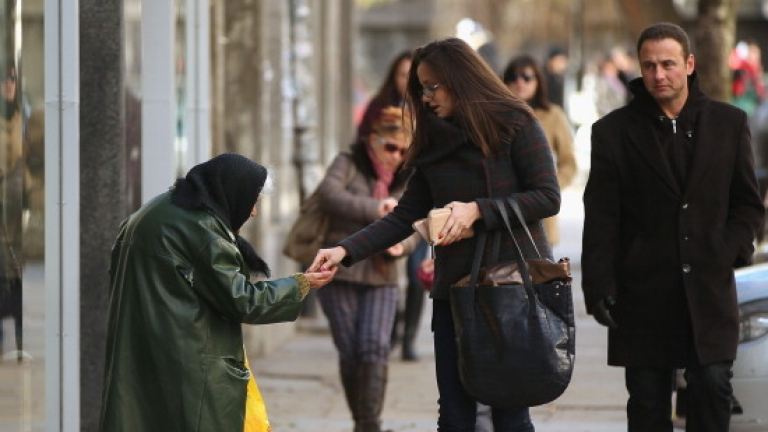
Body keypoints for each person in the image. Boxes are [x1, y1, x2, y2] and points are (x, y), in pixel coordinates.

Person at [310, 37, 560, 432]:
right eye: (420, 88)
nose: (425, 98)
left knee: (510, 413)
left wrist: (479, 211)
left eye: (432, 86)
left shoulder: (516, 123)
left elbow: (547, 197)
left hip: (510, 287)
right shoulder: (432, 142)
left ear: (459, 79)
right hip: (454, 293)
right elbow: (405, 216)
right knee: (455, 415)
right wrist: (344, 251)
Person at [582, 22, 765, 432]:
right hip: (643, 293)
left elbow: (748, 205)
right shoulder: (612, 133)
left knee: (713, 389)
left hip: (709, 290)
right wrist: (599, 285)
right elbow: (601, 217)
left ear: (689, 64)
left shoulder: (729, 124)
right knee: (647, 405)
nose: (658, 75)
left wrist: (728, 250)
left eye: (667, 64)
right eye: (649, 66)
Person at [98, 153, 336, 432]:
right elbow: (243, 301)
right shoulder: (204, 232)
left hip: (146, 349)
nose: (253, 212)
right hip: (185, 357)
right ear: (231, 192)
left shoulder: (156, 210)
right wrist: (301, 284)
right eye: (253, 202)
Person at [315, 105, 418, 432]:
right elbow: (328, 195)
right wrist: (378, 209)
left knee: (374, 346)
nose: (396, 156)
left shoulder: (409, 177)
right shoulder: (348, 163)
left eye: (403, 150)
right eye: (390, 148)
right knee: (351, 349)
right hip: (340, 270)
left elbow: (416, 224)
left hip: (382, 273)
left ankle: (369, 425)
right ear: (373, 141)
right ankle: (362, 421)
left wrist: (403, 245)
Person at [503, 54, 577, 247]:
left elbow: (568, 162)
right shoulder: (496, 117)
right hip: (503, 210)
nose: (520, 83)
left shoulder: (553, 115)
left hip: (539, 213)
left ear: (538, 80)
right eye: (513, 77)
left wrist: (548, 187)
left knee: (539, 273)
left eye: (526, 77)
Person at [357, 51, 412, 140]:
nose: (407, 81)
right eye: (403, 75)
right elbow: (363, 139)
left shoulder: (432, 108)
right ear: (394, 77)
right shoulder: (379, 106)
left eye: (412, 76)